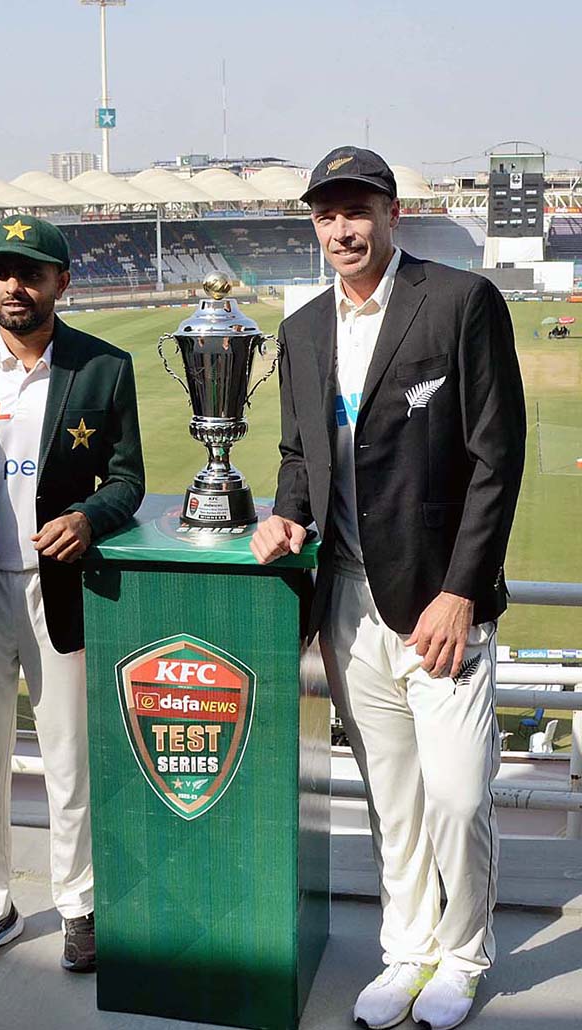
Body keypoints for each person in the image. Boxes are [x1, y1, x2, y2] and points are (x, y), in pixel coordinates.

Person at [251, 147, 525, 1030]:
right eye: (327, 214)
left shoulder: (459, 302)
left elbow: (497, 457)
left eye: (357, 209)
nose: (342, 229)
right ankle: (405, 951)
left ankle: (464, 955)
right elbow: (302, 458)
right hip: (347, 602)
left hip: (441, 607)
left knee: (456, 795)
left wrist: (462, 590)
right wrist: (286, 515)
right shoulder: (300, 330)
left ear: (392, 211)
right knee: (393, 798)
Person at [0, 215, 144, 976]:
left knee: (74, 762)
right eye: (0, 271)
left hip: (64, 598)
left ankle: (79, 906)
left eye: (31, 272)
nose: (14, 285)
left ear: (61, 282)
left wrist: (88, 516)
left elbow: (129, 480)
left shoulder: (104, 368)